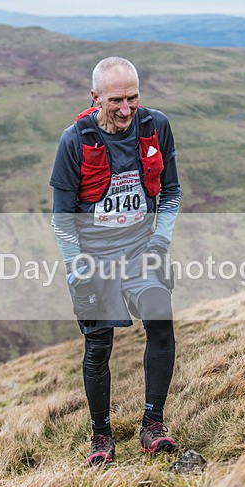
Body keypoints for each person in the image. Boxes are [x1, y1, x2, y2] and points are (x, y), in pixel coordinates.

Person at [49, 57, 182, 466]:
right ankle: (101, 436)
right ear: (95, 98)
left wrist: (159, 242)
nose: (126, 109)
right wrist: (77, 268)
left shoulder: (155, 126)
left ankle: (152, 425)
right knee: (98, 346)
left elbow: (172, 192)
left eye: (133, 98)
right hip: (94, 258)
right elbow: (61, 218)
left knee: (161, 321)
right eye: (116, 100)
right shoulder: (74, 141)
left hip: (142, 250)